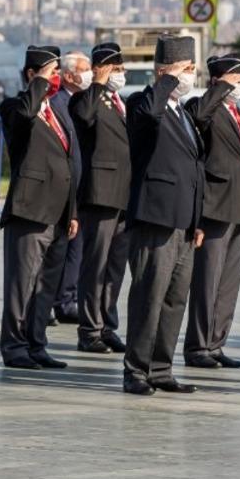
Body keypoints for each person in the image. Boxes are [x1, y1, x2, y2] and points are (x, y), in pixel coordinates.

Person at [122, 33, 218, 396]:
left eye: (193, 69)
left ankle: (161, 368)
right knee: (148, 295)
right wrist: (166, 78)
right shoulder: (144, 103)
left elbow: (193, 169)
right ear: (164, 72)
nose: (191, 76)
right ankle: (136, 370)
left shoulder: (182, 112)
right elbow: (148, 114)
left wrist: (196, 222)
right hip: (155, 218)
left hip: (183, 222)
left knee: (175, 298)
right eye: (186, 69)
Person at [0, 46, 77, 370]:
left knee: (45, 287)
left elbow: (69, 162)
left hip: (58, 213)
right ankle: (14, 346)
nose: (56, 78)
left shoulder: (57, 111)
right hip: (30, 211)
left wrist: (71, 212)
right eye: (51, 71)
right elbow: (26, 113)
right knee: (22, 285)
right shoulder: (16, 107)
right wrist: (39, 84)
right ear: (32, 75)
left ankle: (36, 342)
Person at [184, 54, 240, 369]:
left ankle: (216, 343)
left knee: (228, 283)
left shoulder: (237, 113)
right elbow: (198, 115)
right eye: (235, 80)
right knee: (207, 281)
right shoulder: (204, 107)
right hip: (215, 206)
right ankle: (198, 347)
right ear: (219, 81)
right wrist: (218, 89)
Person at [68, 43, 131, 354]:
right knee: (96, 265)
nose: (118, 74)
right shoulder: (86, 98)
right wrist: (97, 82)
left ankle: (107, 325)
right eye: (113, 68)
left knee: (115, 267)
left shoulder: (122, 102)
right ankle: (89, 330)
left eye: (120, 69)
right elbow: (83, 115)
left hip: (124, 195)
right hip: (100, 193)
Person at [49, 51, 87, 325]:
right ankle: (61, 299)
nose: (89, 73)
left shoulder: (83, 101)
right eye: (84, 69)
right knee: (64, 249)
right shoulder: (59, 103)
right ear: (69, 75)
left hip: (83, 187)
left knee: (76, 250)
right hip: (65, 188)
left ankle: (67, 298)